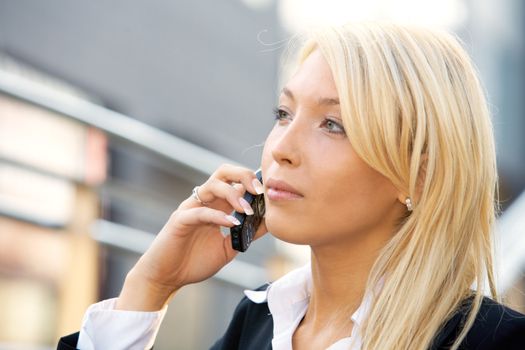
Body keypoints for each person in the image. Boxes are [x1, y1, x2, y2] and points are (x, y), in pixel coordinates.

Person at [58, 22, 525, 349]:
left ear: (418, 175)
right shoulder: (257, 322)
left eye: (333, 124)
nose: (281, 147)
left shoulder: (495, 341)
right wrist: (150, 285)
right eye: (284, 114)